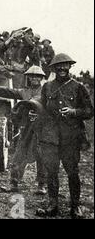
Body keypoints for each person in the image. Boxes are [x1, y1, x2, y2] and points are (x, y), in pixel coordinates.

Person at [36, 54, 93, 218]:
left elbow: (90, 111)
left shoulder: (78, 87)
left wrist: (74, 111)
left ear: (69, 67)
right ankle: (52, 205)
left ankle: (75, 207)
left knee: (72, 172)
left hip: (71, 138)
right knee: (51, 172)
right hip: (50, 138)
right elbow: (43, 108)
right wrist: (35, 114)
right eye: (58, 66)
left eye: (65, 65)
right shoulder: (47, 87)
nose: (62, 68)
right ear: (53, 68)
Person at [0, 65, 47, 194]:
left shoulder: (46, 91)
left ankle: (42, 185)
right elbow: (9, 92)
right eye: (32, 76)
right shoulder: (25, 92)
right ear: (28, 78)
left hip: (42, 126)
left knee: (41, 154)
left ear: (41, 78)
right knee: (19, 153)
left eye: (37, 76)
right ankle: (14, 183)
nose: (34, 79)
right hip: (27, 126)